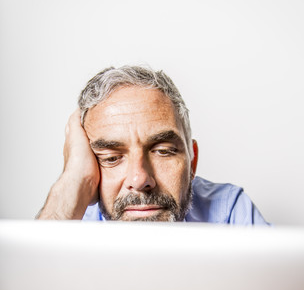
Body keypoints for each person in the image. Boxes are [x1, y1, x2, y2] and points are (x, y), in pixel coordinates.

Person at [37, 66, 268, 224]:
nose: (139, 180)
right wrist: (72, 182)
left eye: (163, 152)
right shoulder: (70, 221)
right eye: (111, 158)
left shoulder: (229, 212)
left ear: (192, 162)